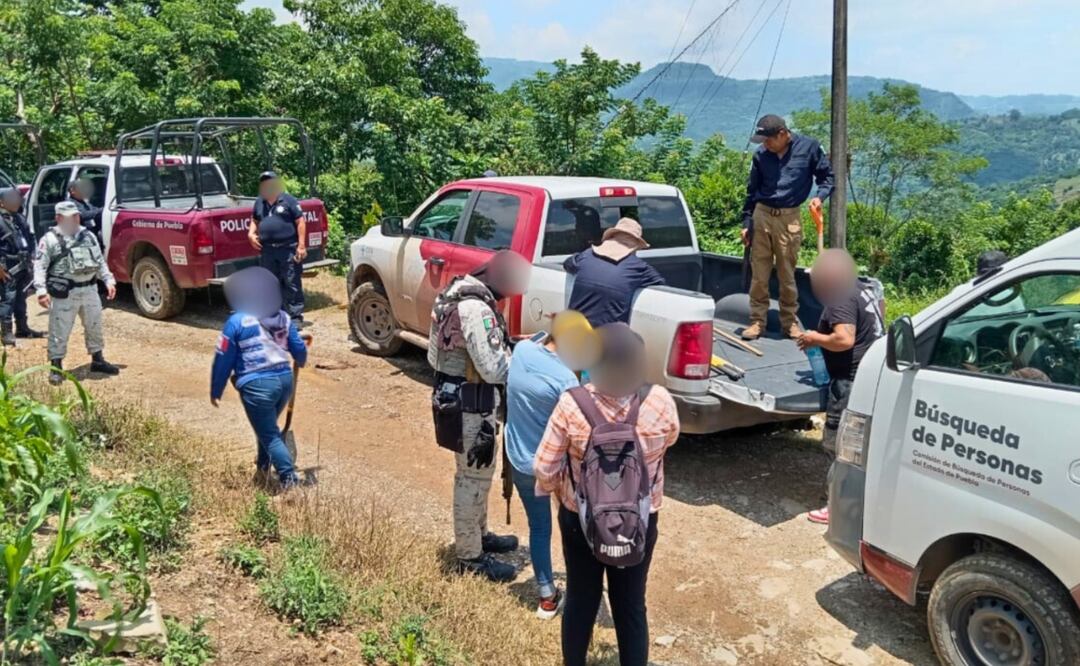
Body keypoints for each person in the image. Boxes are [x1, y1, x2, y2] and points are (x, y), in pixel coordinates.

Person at [534, 323, 680, 666]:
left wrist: (563, 493)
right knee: (630, 603)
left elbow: (543, 467)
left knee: (582, 598)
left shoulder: (572, 404)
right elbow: (670, 438)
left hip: (579, 519)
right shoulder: (659, 401)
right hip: (640, 519)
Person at [428, 250, 531, 582]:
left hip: (457, 398)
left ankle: (479, 534)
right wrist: (525, 363)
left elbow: (433, 355)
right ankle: (469, 557)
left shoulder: (453, 292)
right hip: (471, 405)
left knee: (477, 475)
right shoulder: (476, 309)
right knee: (472, 478)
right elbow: (494, 367)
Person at [505, 311, 599, 619]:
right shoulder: (565, 381)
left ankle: (547, 594)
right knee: (572, 526)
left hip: (516, 457)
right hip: (550, 467)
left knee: (539, 527)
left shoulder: (522, 350)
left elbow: (533, 341)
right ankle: (584, 588)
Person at [796, 250, 883, 524]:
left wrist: (814, 338)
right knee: (863, 445)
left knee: (838, 445)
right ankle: (862, 503)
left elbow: (844, 339)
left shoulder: (839, 300)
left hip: (849, 381)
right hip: (872, 376)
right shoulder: (865, 290)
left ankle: (837, 507)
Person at [211, 267, 308, 490]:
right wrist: (301, 359)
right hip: (284, 382)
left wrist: (216, 388)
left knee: (270, 435)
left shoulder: (237, 322)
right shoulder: (283, 317)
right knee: (266, 428)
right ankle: (262, 469)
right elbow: (299, 349)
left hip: (257, 386)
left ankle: (289, 481)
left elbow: (223, 358)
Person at [741, 114, 834, 340]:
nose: (765, 144)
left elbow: (827, 177)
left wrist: (819, 197)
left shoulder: (809, 148)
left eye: (769, 139)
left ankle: (790, 322)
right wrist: (746, 223)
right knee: (759, 275)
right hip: (762, 214)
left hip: (789, 217)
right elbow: (752, 191)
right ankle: (757, 322)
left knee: (786, 274)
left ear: (782, 134)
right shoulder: (761, 155)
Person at [33, 201, 119, 385]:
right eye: (69, 217)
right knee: (59, 330)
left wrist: (108, 279)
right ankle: (56, 367)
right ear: (58, 218)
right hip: (66, 293)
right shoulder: (49, 239)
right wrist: (41, 291)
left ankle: (97, 359)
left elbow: (99, 260)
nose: (74, 219)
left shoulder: (88, 236)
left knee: (94, 325)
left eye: (76, 216)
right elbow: (40, 266)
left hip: (89, 289)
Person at [563, 218, 665, 328]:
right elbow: (660, 284)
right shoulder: (638, 267)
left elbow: (567, 264)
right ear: (634, 246)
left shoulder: (586, 256)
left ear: (610, 238)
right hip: (608, 339)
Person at [247, 172, 307, 324]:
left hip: (288, 249)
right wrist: (251, 233)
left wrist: (301, 246)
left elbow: (300, 222)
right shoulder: (259, 202)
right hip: (267, 250)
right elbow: (255, 219)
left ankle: (295, 318)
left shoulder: (288, 200)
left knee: (291, 282)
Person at [0, 188, 43, 344]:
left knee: (20, 297)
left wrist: (32, 256)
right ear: (2, 202)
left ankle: (22, 328)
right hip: (7, 265)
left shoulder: (19, 218)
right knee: (7, 299)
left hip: (23, 263)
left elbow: (30, 238)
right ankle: (6, 334)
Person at [66, 178, 104, 242]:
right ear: (72, 191)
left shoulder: (83, 201)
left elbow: (93, 209)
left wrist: (103, 210)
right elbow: (83, 215)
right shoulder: (69, 203)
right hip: (80, 235)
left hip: (91, 231)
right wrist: (100, 211)